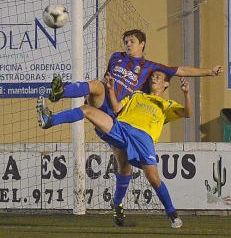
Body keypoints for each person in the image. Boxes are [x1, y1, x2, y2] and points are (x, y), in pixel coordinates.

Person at [46, 29, 222, 226]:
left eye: (131, 41)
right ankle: (59, 97)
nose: (127, 44)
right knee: (95, 88)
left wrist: (208, 72)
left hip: (133, 128)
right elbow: (113, 94)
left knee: (129, 167)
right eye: (125, 41)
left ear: (142, 43)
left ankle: (126, 205)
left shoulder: (156, 84)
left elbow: (181, 72)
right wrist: (110, 90)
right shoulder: (119, 62)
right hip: (115, 113)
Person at [37, 70, 192, 228]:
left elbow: (187, 113)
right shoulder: (137, 95)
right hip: (121, 127)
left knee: (152, 178)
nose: (154, 78)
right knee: (86, 110)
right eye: (153, 76)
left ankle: (171, 214)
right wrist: (110, 90)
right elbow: (117, 108)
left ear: (166, 84)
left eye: (158, 77)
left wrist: (186, 93)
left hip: (143, 139)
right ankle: (50, 120)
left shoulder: (167, 105)